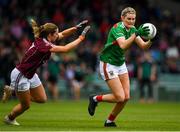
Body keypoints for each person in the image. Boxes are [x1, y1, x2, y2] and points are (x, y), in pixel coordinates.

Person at [2, 19, 90, 125]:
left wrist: (75, 28)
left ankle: (13, 92)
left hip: (31, 74)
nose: (58, 35)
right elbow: (65, 49)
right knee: (26, 105)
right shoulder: (44, 45)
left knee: (42, 99)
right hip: (21, 74)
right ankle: (9, 118)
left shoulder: (45, 39)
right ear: (50, 34)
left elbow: (62, 34)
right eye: (56, 33)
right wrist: (81, 38)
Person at [88, 7, 152, 127]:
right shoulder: (117, 28)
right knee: (119, 97)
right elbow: (123, 45)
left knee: (126, 97)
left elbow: (143, 46)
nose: (131, 21)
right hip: (108, 63)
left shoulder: (133, 29)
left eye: (133, 19)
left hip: (120, 63)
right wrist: (136, 34)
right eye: (129, 19)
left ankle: (110, 121)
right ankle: (95, 98)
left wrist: (151, 39)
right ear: (122, 18)